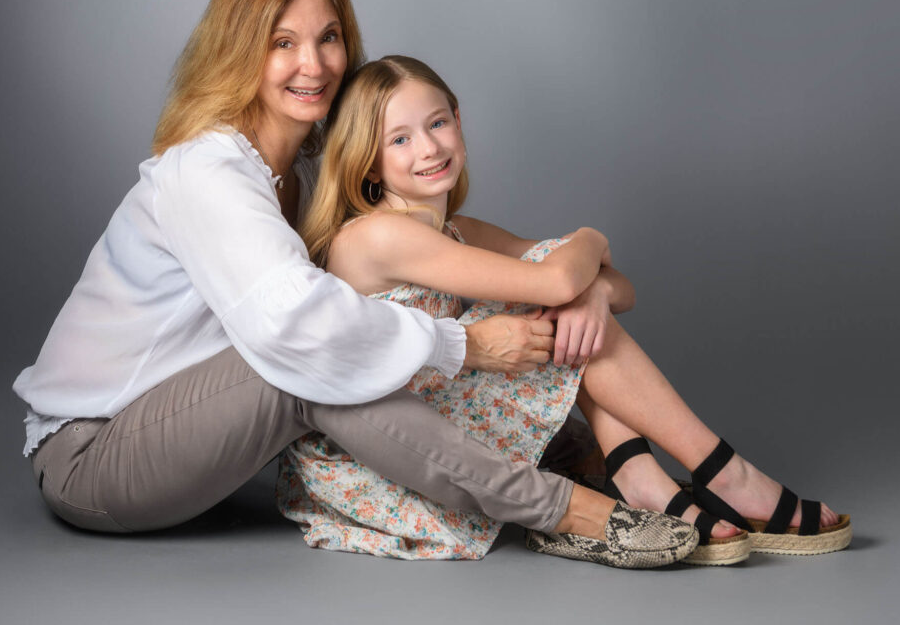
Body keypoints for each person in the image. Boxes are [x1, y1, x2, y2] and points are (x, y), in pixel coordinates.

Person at [11, 0, 699, 570]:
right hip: (93, 457)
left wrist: (582, 285)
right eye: (283, 43)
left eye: (329, 37)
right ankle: (564, 510)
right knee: (307, 368)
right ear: (239, 53)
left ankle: (597, 459)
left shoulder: (303, 170)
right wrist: (466, 345)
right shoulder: (207, 171)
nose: (314, 65)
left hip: (192, 431)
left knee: (374, 336)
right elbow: (302, 331)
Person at [280, 55, 852, 564]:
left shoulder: (455, 229)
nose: (428, 148)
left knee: (568, 292)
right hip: (382, 455)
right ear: (369, 164)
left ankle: (642, 474)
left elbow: (619, 290)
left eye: (436, 123)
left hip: (430, 414)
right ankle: (721, 474)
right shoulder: (377, 236)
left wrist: (593, 294)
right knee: (554, 286)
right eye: (400, 140)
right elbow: (557, 278)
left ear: (458, 118)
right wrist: (591, 238)